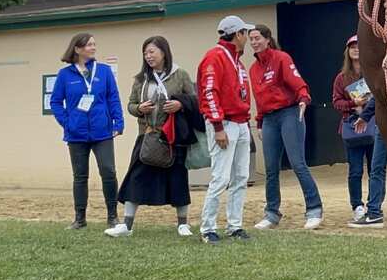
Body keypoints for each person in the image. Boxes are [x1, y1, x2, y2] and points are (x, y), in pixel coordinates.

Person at [105, 36, 203, 238]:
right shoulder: (141, 79)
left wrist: (180, 105)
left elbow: (195, 101)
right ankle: (127, 225)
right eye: (145, 53)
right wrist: (139, 108)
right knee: (136, 178)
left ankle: (183, 224)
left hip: (173, 137)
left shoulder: (180, 74)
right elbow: (131, 105)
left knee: (178, 179)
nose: (148, 56)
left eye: (152, 52)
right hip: (147, 136)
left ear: (164, 52)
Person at [249, 24, 324, 231]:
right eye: (251, 39)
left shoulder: (281, 58)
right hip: (269, 120)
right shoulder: (254, 69)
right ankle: (272, 213)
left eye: (257, 38)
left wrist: (303, 98)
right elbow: (259, 99)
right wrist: (260, 122)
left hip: (290, 112)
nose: (254, 42)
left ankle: (314, 209)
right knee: (271, 168)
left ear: (267, 39)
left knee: (297, 163)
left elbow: (297, 82)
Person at [50, 32, 124, 230]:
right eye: (89, 45)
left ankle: (112, 216)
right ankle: (80, 219)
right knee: (80, 176)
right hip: (76, 134)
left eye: (94, 44)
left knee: (108, 171)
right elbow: (55, 102)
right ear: (77, 49)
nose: (93, 48)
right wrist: (67, 122)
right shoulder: (65, 75)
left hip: (102, 132)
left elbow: (113, 98)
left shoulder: (104, 71)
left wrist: (118, 123)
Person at [196, 16, 255, 244]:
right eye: (245, 34)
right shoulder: (216, 56)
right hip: (225, 123)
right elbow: (209, 92)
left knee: (241, 176)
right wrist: (218, 126)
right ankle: (208, 227)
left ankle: (235, 225)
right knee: (220, 177)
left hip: (240, 123)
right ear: (238, 34)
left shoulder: (236, 60)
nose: (247, 38)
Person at [332, 34, 387, 228]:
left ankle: (376, 205)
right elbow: (336, 102)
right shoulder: (341, 78)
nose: (356, 49)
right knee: (355, 170)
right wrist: (352, 103)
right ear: (347, 51)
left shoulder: (373, 72)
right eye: (352, 47)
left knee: (376, 168)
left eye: (359, 46)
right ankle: (357, 205)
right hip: (352, 127)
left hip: (374, 125)